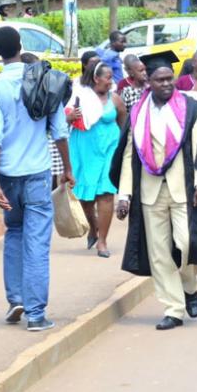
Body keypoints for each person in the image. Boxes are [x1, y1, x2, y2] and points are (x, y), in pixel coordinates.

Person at [115, 52, 197, 330]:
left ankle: (189, 286)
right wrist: (124, 195)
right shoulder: (138, 112)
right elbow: (128, 155)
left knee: (185, 246)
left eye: (170, 79)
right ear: (148, 81)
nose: (167, 84)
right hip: (149, 191)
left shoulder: (189, 108)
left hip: (182, 189)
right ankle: (173, 308)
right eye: (160, 80)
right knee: (159, 253)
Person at [0, 26, 74, 332]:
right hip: (37, 173)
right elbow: (60, 132)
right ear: (21, 46)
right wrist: (68, 168)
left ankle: (16, 299)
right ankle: (36, 314)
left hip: (8, 174)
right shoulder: (46, 79)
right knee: (36, 241)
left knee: (14, 232)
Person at [65, 62, 128, 258]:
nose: (112, 81)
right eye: (108, 77)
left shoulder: (115, 99)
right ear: (96, 78)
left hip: (109, 149)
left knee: (106, 194)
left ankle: (102, 241)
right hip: (84, 150)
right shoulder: (79, 97)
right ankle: (93, 228)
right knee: (85, 197)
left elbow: (124, 125)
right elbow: (62, 122)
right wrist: (70, 117)